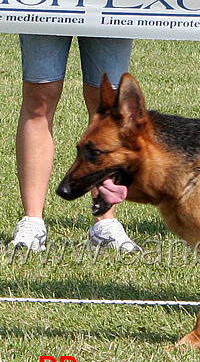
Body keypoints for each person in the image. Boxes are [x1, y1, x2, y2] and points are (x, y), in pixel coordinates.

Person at [11, 34, 140, 253]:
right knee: (39, 97)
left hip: (111, 1)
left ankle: (105, 223)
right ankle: (32, 221)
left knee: (107, 102)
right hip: (46, 2)